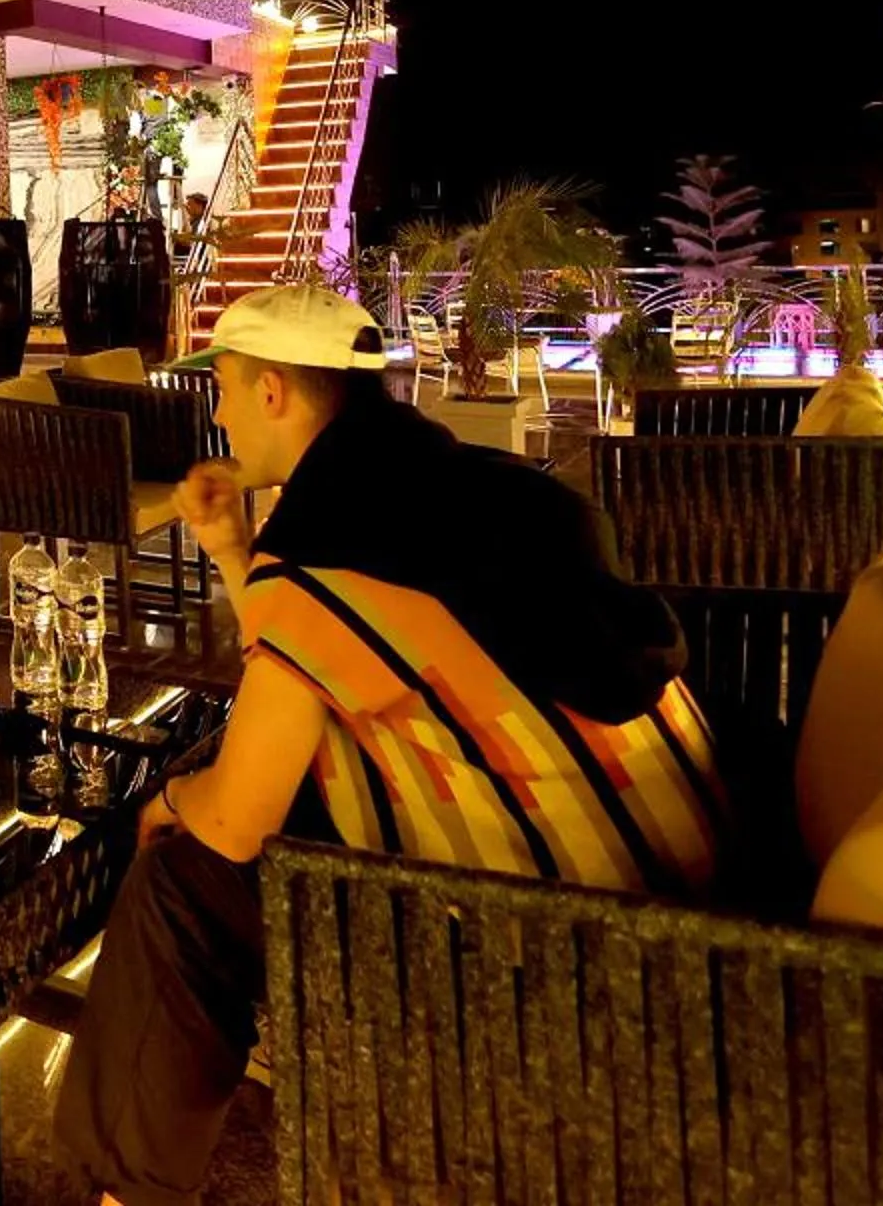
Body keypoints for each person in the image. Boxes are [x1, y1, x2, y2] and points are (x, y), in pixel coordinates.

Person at [55, 284, 725, 1205]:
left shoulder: (328, 542)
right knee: (268, 786)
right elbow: (335, 647)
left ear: (275, 394)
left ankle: (122, 1186)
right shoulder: (468, 484)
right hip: (685, 869)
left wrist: (166, 805)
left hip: (567, 936)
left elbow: (234, 823)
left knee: (180, 879)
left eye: (226, 386)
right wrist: (231, 550)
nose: (214, 410)